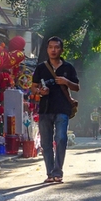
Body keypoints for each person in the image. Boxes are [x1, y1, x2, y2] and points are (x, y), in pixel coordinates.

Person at [31, 36, 80, 184]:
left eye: (56, 47)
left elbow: (77, 87)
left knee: (61, 139)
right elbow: (33, 87)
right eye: (51, 47)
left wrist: (66, 81)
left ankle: (58, 172)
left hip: (62, 109)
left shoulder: (68, 68)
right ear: (47, 49)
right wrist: (40, 92)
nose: (53, 50)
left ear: (61, 50)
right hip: (45, 110)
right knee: (46, 143)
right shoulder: (41, 68)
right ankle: (50, 173)